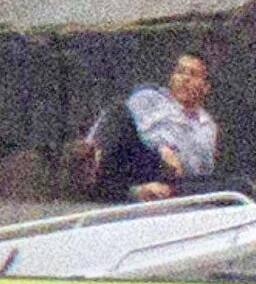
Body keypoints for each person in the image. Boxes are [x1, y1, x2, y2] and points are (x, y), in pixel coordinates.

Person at [78, 53, 231, 202]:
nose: (185, 79)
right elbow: (114, 121)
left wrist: (173, 155)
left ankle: (134, 191)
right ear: (171, 78)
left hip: (171, 175)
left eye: (193, 74)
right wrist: (160, 148)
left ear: (205, 87)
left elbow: (199, 169)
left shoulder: (207, 126)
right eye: (180, 72)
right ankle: (89, 166)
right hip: (137, 156)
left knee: (235, 184)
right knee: (119, 112)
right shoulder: (148, 97)